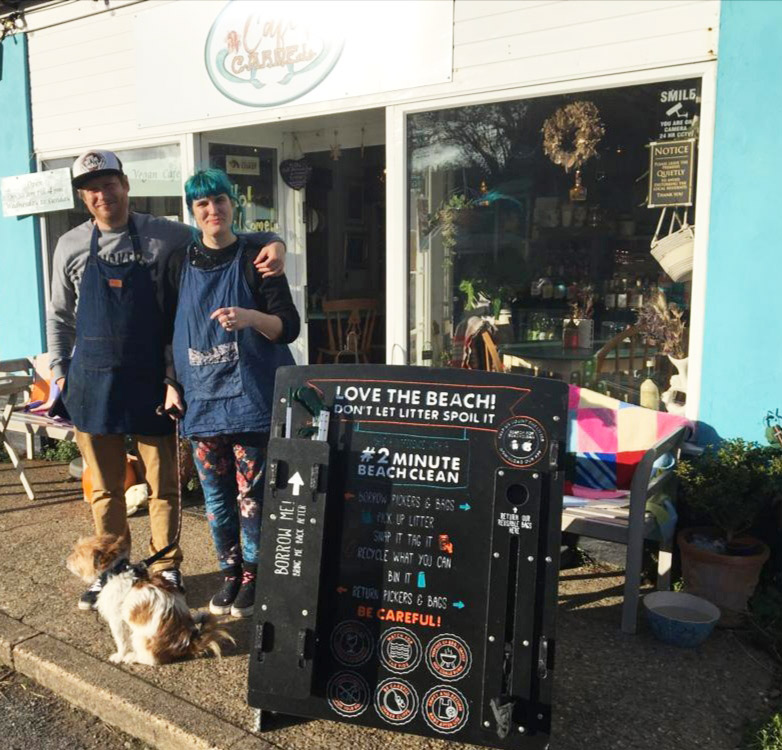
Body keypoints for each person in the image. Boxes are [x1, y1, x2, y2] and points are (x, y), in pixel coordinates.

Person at [47, 150, 286, 610]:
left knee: (163, 485)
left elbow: (220, 235)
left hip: (152, 381)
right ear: (83, 197)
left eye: (109, 183)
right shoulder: (70, 245)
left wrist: (274, 241)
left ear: (125, 185)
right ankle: (112, 570)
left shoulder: (165, 234)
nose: (102, 194)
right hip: (92, 382)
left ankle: (164, 566)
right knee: (104, 488)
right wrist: (60, 373)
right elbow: (59, 315)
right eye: (91, 188)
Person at [164, 168, 299, 618]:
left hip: (251, 399)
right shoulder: (177, 262)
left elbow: (288, 327)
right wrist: (169, 382)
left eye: (219, 200)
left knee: (252, 496)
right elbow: (164, 330)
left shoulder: (257, 257)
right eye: (202, 204)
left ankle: (254, 576)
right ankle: (229, 572)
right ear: (193, 211)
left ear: (232, 203)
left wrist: (249, 317)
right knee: (216, 497)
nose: (212, 210)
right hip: (200, 399)